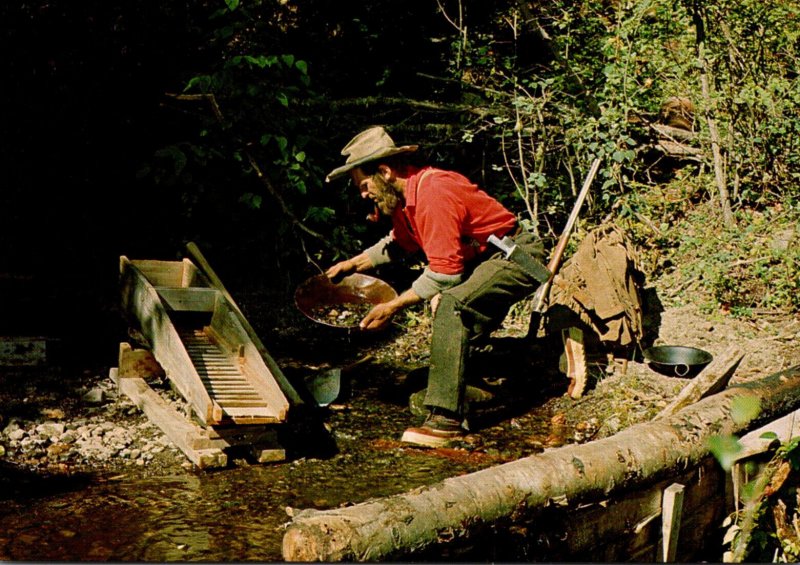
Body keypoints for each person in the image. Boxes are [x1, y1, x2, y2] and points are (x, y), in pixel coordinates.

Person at [324, 126, 550, 448]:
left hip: (515, 258)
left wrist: (392, 306)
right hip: (484, 259)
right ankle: (475, 378)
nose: (363, 195)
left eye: (364, 185)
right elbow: (399, 243)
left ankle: (446, 420)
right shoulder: (406, 199)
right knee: (444, 309)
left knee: (451, 304)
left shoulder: (433, 192)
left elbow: (445, 273)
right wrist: (354, 264)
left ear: (385, 172)